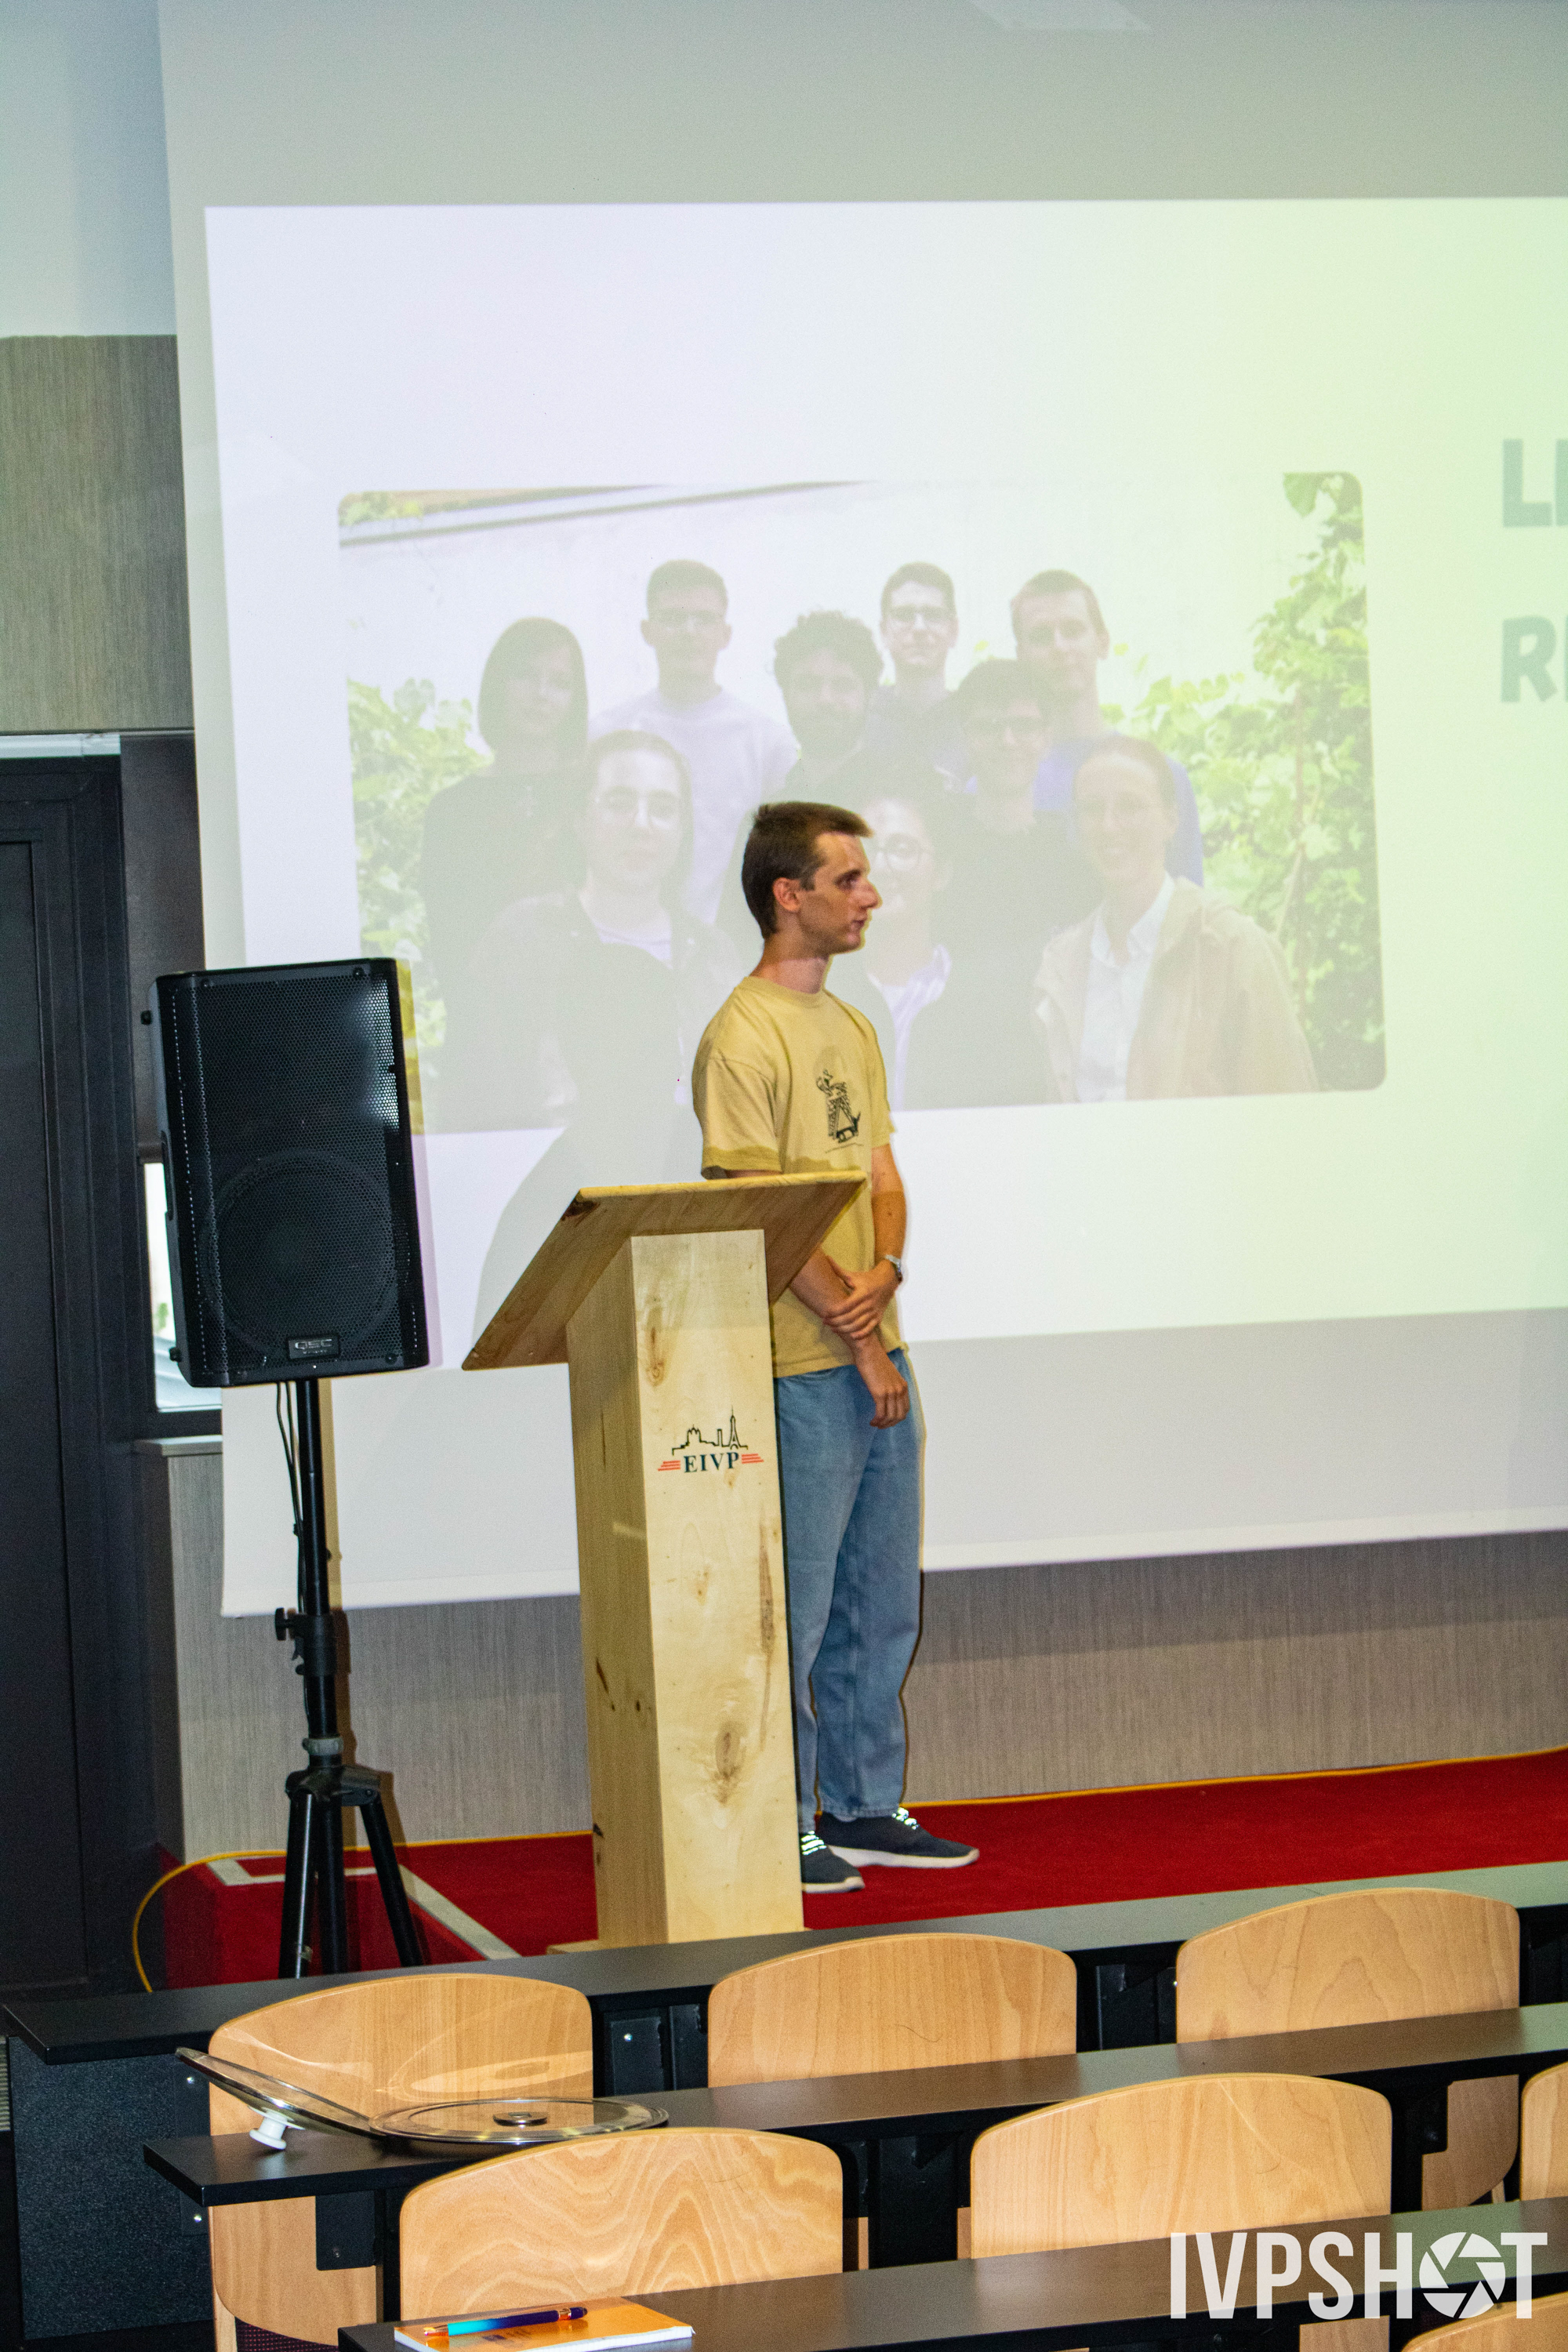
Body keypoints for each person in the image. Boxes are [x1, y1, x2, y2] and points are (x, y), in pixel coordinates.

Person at [692, 803, 978, 1893]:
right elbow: (758, 1206)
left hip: (872, 1346)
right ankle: (783, 1824)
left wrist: (886, 1274)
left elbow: (880, 1176)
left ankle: (862, 1806)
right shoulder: (742, 1032)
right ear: (789, 895)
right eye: (848, 879)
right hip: (800, 1365)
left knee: (880, 1601)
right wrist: (852, 1330)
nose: (871, 897)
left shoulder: (852, 1026)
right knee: (797, 1611)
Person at [458, 732, 742, 1330]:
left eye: (662, 808)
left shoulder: (715, 958)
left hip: (687, 1241)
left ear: (683, 829)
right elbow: (478, 1089)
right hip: (551, 1235)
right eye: (619, 802)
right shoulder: (520, 939)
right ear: (580, 819)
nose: (642, 825)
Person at [1034, 735, 1317, 1101]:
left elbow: (1288, 1111)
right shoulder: (1062, 963)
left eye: (1130, 806)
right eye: (1092, 809)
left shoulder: (1232, 948)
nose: (1109, 826)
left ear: (1171, 820)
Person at [589, 558, 794, 927]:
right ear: (648, 631)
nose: (689, 632)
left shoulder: (767, 743)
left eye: (704, 620)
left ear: (725, 634)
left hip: (729, 944)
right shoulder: (606, 735)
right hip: (621, 933)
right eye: (673, 619)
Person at [936, 659, 1099, 1097]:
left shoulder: (1076, 868)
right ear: (967, 738)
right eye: (988, 726)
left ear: (1047, 737)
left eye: (1023, 726)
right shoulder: (937, 854)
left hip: (1048, 1080)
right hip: (952, 1076)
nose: (1007, 741)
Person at [421, 616, 587, 1033]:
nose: (541, 694)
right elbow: (449, 941)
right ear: (499, 684)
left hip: (584, 1020)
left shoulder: (594, 796)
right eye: (527, 675)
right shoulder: (451, 810)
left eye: (559, 683)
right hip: (487, 1023)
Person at [1011, 570, 1205, 884]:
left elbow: (1188, 905)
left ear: (1102, 642)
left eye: (1073, 631)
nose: (1059, 647)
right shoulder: (996, 786)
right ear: (1021, 656)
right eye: (1042, 636)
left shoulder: (1162, 778)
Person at [827, 789, 1004, 1112]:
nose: (880, 867)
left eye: (902, 849)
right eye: (865, 850)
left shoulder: (986, 1001)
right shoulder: (816, 991)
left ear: (942, 872)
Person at [862, 561, 969, 784]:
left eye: (933, 615)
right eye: (904, 615)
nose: (919, 628)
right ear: (884, 631)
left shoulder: (974, 723)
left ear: (953, 631)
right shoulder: (859, 721)